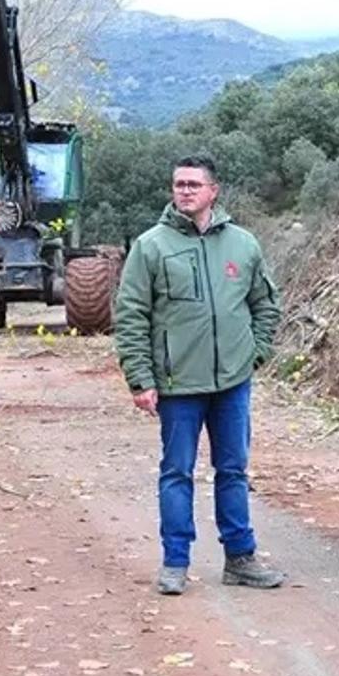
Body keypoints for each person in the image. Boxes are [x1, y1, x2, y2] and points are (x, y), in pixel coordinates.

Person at [115, 154, 285, 596]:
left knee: (233, 469)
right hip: (176, 384)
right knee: (176, 472)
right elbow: (131, 315)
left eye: (193, 184)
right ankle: (175, 562)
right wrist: (140, 378)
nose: (185, 191)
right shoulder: (150, 246)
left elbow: (265, 305)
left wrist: (255, 354)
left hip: (232, 382)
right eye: (178, 184)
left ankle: (241, 558)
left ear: (214, 191)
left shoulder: (243, 244)